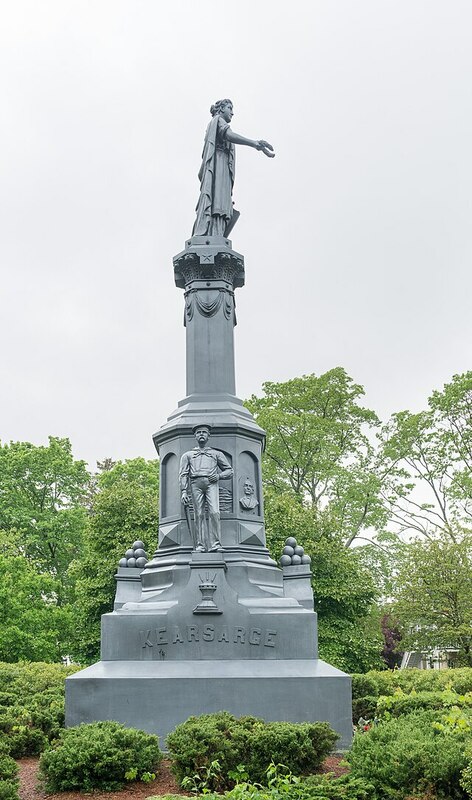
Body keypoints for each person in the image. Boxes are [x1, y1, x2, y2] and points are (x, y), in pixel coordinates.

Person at [192, 99, 275, 237]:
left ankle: (216, 233)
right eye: (229, 108)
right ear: (221, 109)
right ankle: (213, 233)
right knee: (217, 201)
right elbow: (228, 135)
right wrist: (254, 143)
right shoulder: (218, 120)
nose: (232, 112)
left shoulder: (217, 122)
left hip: (222, 164)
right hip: (218, 164)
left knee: (221, 202)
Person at [179, 424, 234, 552]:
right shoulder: (187, 455)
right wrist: (183, 491)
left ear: (208, 436)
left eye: (204, 432)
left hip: (211, 482)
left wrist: (219, 476)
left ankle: (215, 545)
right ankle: (200, 545)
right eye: (198, 432)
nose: (201, 434)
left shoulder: (216, 454)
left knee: (214, 512)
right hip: (195, 484)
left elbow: (229, 471)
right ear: (195, 436)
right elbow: (183, 474)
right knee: (198, 514)